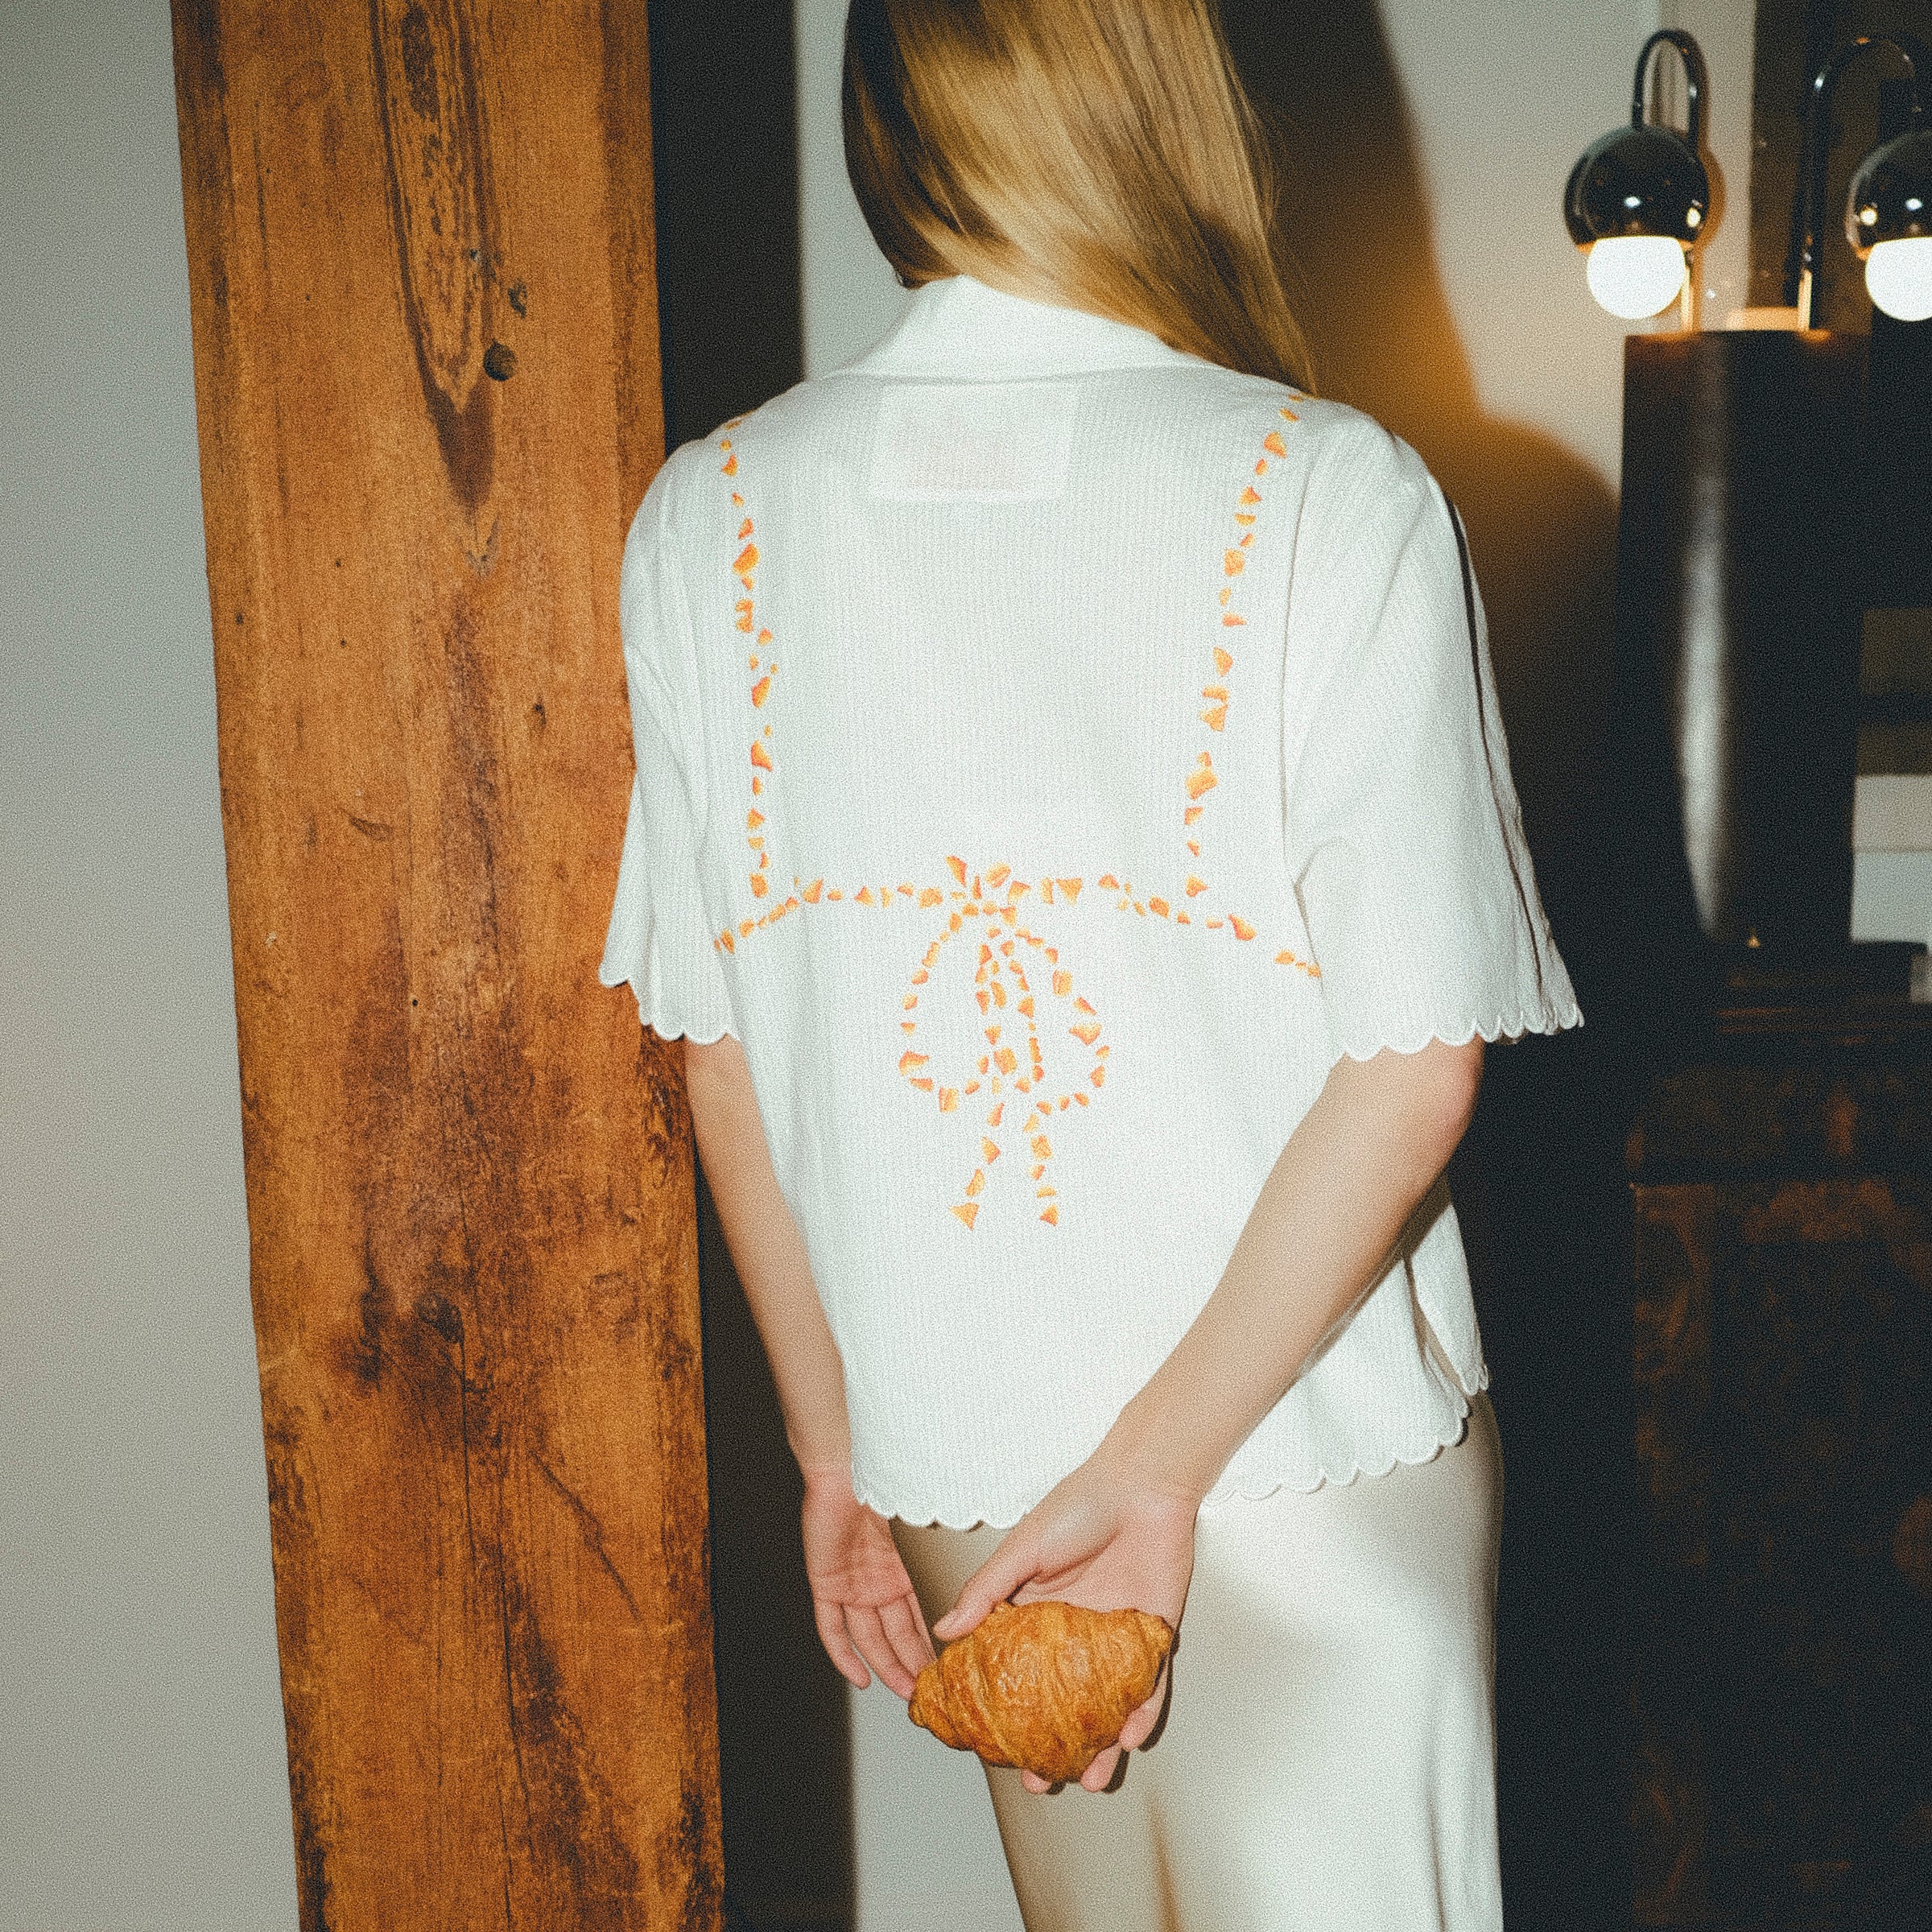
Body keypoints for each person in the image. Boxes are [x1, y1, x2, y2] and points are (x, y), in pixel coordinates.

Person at [601, 1, 1579, 1924]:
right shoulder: (1328, 489)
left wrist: (835, 1459)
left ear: (885, 120)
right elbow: (1413, 1066)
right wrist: (1153, 1481)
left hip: (976, 1494)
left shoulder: (704, 516)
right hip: (1301, 1468)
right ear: (1167, 100)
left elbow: (720, 1053)